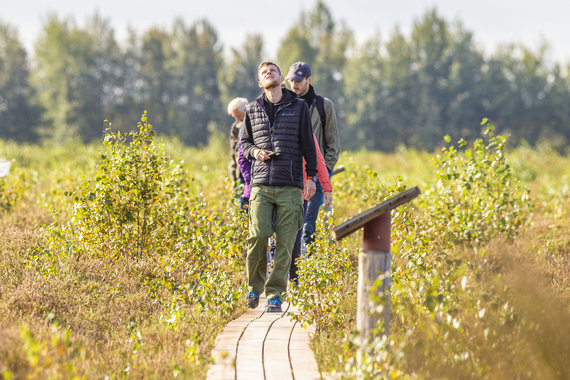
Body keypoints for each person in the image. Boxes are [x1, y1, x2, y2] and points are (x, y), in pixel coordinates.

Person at [240, 61, 317, 312]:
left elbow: (308, 145)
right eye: (263, 72)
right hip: (261, 184)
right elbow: (245, 144)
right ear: (260, 83)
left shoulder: (299, 107)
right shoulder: (252, 109)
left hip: (291, 185)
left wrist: (311, 177)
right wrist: (256, 152)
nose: (268, 73)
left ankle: (274, 294)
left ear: (281, 78)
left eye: (272, 70)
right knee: (258, 236)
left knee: (286, 243)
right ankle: (254, 287)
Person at [286, 62, 340, 251]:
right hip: (292, 176)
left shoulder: (324, 106)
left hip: (316, 174)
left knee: (309, 225)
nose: (295, 85)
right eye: (292, 80)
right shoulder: (285, 105)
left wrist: (324, 172)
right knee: (291, 226)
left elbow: (333, 145)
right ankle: (294, 268)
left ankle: (308, 268)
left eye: (299, 81)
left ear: (309, 80)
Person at [227, 97, 248, 187]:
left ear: (246, 110)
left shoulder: (254, 124)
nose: (236, 119)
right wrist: (233, 177)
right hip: (239, 174)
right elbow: (233, 153)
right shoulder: (235, 128)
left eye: (238, 115)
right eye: (234, 116)